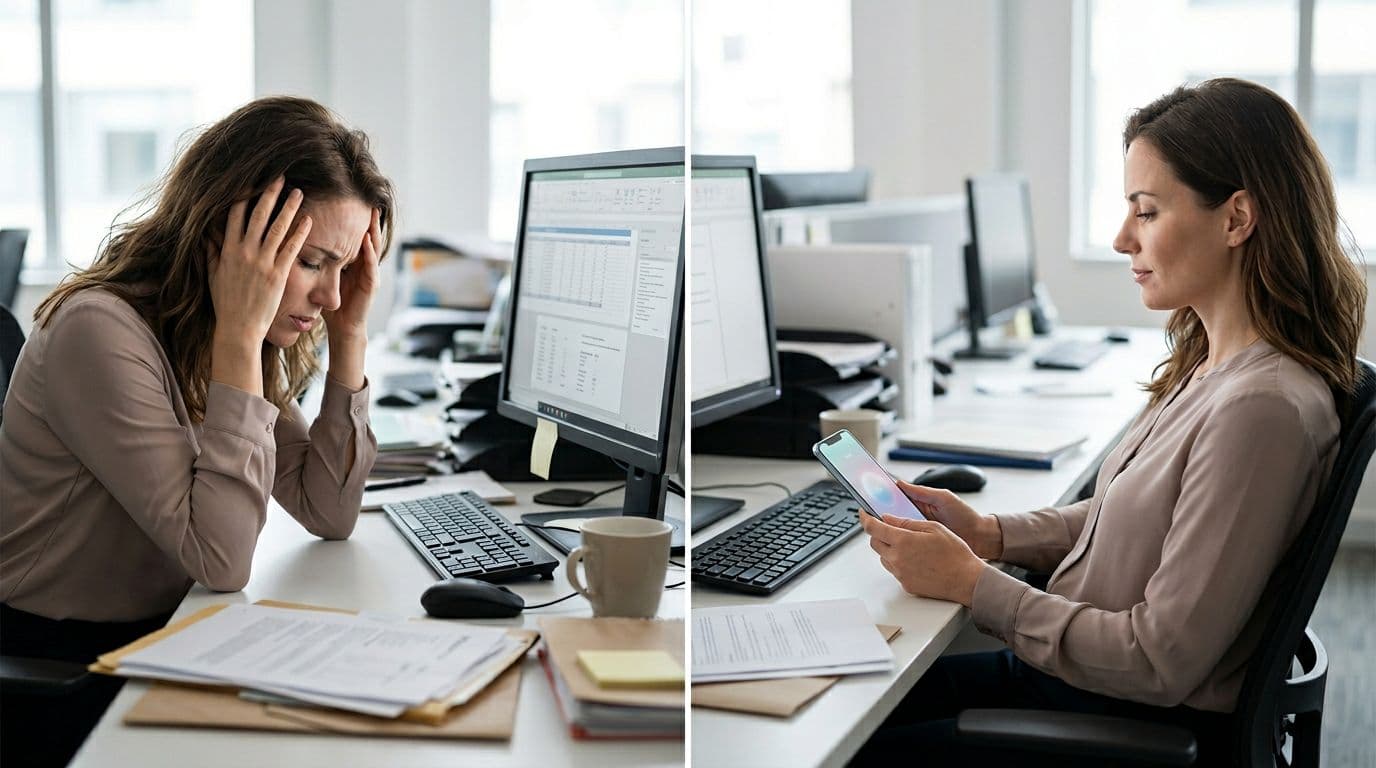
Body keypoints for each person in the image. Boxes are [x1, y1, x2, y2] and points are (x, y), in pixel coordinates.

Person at [853, 78, 1366, 766]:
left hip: (1121, 711)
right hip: (1076, 683)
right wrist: (990, 533)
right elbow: (1133, 514)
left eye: (1147, 212)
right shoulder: (1213, 365)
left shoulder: (1261, 408)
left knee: (846, 744)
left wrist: (973, 584)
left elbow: (1159, 659)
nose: (1123, 238)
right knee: (860, 696)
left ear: (1237, 218)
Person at [0, 96, 394, 767]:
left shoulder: (221, 329)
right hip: (59, 669)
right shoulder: (100, 332)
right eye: (311, 262)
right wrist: (241, 338)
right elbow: (221, 559)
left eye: (346, 269)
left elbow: (329, 510)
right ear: (227, 237)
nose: (329, 295)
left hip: (167, 634)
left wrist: (350, 335)